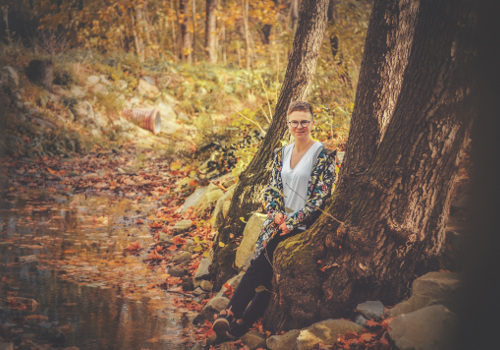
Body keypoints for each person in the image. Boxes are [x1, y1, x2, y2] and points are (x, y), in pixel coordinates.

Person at [212, 100, 337, 339]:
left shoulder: (324, 155)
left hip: (304, 224)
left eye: (304, 121)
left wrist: (293, 220)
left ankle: (230, 315)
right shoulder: (281, 153)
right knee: (266, 273)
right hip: (277, 222)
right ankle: (238, 326)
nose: (299, 126)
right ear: (288, 124)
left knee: (260, 266)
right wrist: (275, 212)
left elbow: (321, 196)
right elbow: (271, 189)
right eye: (294, 122)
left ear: (312, 123)